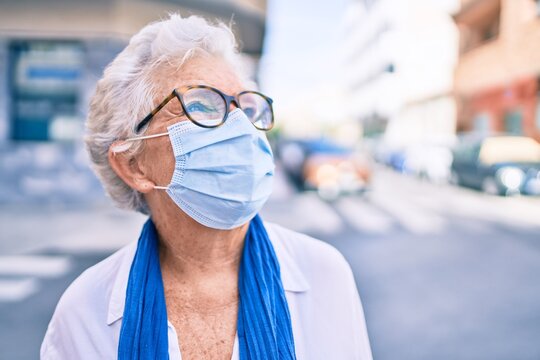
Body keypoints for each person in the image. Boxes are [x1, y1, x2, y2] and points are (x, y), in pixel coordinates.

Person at [40, 13, 372, 360]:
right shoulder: (83, 313)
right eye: (199, 105)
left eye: (245, 106)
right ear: (133, 165)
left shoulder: (324, 275)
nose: (240, 127)